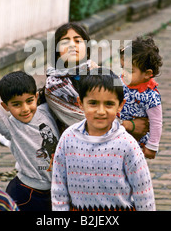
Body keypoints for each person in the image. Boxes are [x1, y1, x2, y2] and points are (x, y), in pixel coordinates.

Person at [51, 67, 156, 211]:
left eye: (109, 104)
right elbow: (59, 188)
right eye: (93, 103)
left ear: (120, 106)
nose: (101, 111)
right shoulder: (68, 138)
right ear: (80, 103)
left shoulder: (127, 144)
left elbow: (143, 191)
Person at [0, 62, 60, 211]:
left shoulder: (47, 111)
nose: (25, 109)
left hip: (56, 189)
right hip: (26, 192)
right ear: (6, 106)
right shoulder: (11, 126)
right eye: (16, 104)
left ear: (36, 97)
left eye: (29, 101)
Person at [43, 22, 149, 137]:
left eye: (78, 41)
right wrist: (128, 125)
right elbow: (80, 119)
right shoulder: (53, 87)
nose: (72, 45)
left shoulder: (99, 72)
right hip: (77, 143)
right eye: (65, 42)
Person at [118, 36, 163, 159]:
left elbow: (156, 122)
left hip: (136, 142)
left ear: (147, 74)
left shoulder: (150, 95)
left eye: (130, 71)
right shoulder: (120, 82)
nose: (124, 74)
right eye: (123, 68)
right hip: (117, 136)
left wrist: (152, 146)